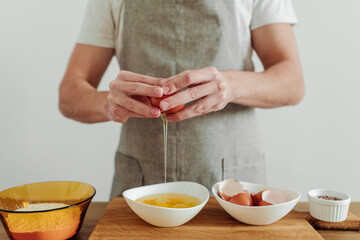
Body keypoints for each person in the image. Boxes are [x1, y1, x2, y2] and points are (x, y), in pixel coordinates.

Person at [59, 0, 304, 198]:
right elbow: (69, 94)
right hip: (140, 183)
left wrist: (231, 86)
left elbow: (292, 82)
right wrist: (108, 104)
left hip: (231, 185)